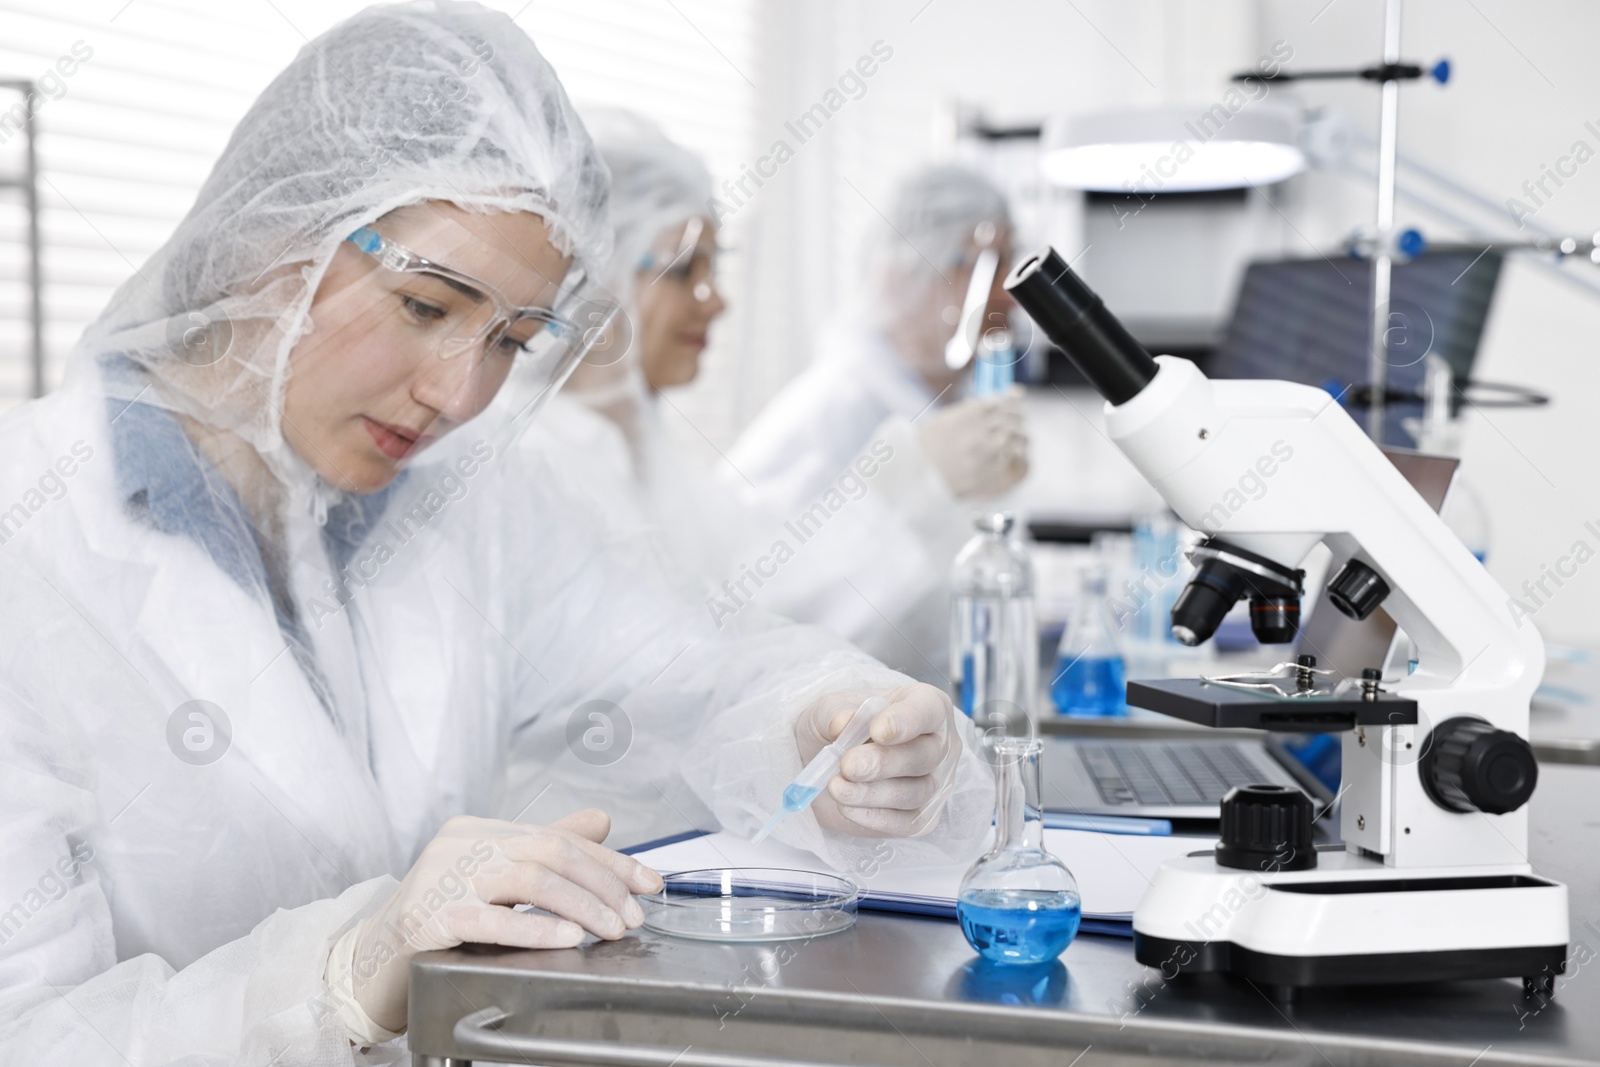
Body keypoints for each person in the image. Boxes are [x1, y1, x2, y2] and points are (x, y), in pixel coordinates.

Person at [0, 5, 990, 1061]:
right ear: (271, 234)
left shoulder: (464, 502)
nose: (459, 392)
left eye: (513, 339)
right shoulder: (36, 541)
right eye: (427, 304)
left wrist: (829, 725)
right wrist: (343, 971)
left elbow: (709, 673)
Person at [727, 164, 1031, 673]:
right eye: (984, 265)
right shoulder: (831, 413)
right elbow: (772, 624)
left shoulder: (948, 407)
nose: (1010, 292)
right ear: (902, 276)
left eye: (1010, 263)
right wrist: (917, 493)